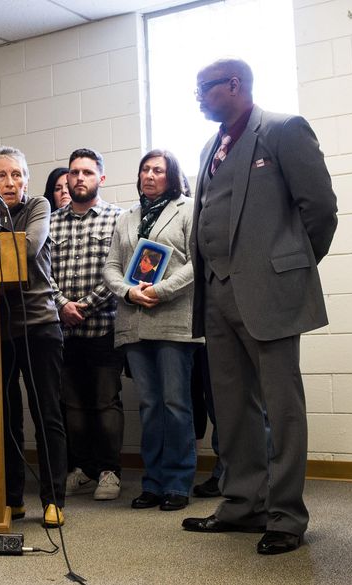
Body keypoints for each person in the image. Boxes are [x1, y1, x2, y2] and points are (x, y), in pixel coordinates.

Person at [183, 58, 337, 555]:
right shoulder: (211, 146)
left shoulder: (284, 130)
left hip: (269, 292)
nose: (199, 98)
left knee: (282, 406)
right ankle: (243, 505)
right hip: (216, 292)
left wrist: (290, 266)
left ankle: (287, 516)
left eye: (204, 89)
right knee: (232, 408)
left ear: (235, 85)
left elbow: (320, 208)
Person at [103, 149, 202, 512]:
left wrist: (160, 291)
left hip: (174, 320)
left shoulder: (188, 208)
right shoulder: (127, 217)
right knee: (149, 406)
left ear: (171, 175)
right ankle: (153, 482)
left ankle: (177, 483)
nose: (149, 175)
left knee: (176, 405)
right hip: (133, 322)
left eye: (157, 170)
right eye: (144, 169)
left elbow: (197, 262)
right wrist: (128, 291)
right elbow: (112, 265)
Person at [0, 146, 68, 528]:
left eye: (17, 175)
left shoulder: (38, 206)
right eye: (1, 176)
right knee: (5, 417)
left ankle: (53, 499)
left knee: (47, 414)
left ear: (27, 180)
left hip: (40, 324)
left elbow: (27, 249)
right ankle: (12, 498)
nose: (10, 183)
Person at [48, 148, 124, 501]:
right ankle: (82, 468)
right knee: (73, 406)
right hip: (64, 331)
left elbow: (120, 270)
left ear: (100, 178)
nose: (80, 178)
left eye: (87, 173)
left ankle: (109, 471)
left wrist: (86, 306)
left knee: (106, 403)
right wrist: (62, 305)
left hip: (104, 328)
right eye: (75, 172)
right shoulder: (52, 221)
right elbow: (41, 271)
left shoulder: (117, 218)